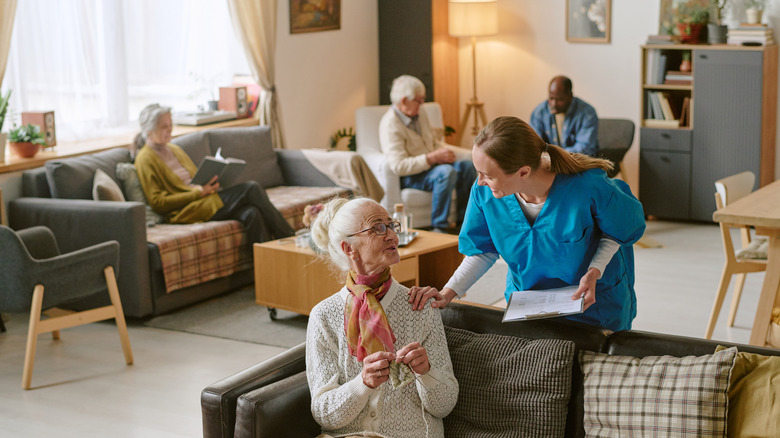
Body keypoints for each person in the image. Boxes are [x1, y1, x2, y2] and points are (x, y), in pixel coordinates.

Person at [412, 116, 645, 332]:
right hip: (529, 306)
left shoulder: (587, 186)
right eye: (478, 173)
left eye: (488, 175)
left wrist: (594, 272)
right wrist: (447, 293)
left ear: (523, 172)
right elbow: (482, 251)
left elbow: (619, 230)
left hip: (592, 304)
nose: (480, 182)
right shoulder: (484, 194)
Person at [306, 197, 458, 438]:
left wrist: (426, 372)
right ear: (349, 248)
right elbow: (324, 414)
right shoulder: (323, 316)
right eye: (378, 228)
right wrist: (362, 384)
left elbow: (444, 406)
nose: (392, 236)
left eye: (391, 225)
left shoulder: (418, 306)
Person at [133, 103, 293, 243]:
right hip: (187, 210)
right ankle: (289, 237)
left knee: (252, 213)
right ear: (149, 130)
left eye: (170, 124)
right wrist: (198, 193)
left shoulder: (173, 148)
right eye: (164, 126)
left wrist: (211, 182)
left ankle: (266, 269)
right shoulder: (145, 158)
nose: (170, 130)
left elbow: (195, 178)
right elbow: (158, 202)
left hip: (204, 199)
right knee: (251, 188)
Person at [379, 75, 476, 233]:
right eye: (418, 100)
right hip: (411, 176)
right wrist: (432, 158)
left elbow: (431, 142)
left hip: (431, 168)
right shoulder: (390, 125)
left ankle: (463, 223)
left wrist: (442, 153)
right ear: (404, 101)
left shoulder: (420, 113)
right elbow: (399, 166)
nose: (422, 104)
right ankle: (440, 227)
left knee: (467, 167)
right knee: (445, 172)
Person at [530, 75, 599, 156]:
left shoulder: (587, 113)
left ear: (570, 96)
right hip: (548, 162)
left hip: (579, 163)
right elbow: (534, 144)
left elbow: (585, 148)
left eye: (559, 99)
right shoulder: (539, 112)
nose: (554, 104)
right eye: (551, 98)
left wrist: (556, 156)